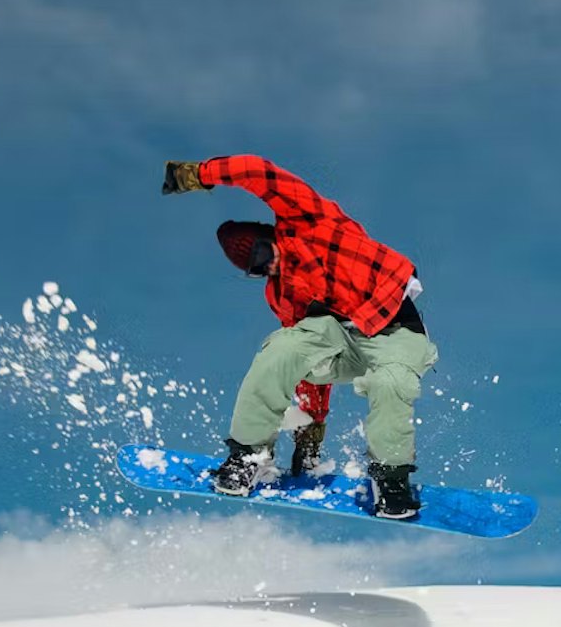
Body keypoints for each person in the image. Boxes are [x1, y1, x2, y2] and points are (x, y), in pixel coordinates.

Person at [162, 154, 438, 519]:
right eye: (256, 269)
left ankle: (390, 478)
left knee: (391, 383)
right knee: (280, 349)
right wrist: (311, 428)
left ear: (270, 236)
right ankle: (249, 454)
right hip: (340, 342)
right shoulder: (282, 294)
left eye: (262, 253)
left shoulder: (307, 220)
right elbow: (303, 360)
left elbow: (258, 172)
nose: (268, 266)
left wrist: (199, 175)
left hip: (394, 327)